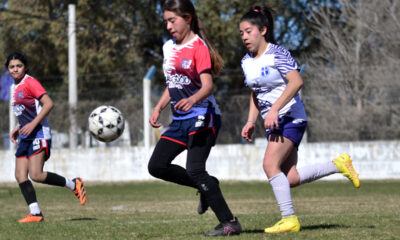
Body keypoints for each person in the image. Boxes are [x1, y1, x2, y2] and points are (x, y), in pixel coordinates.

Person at [239, 6, 360, 233]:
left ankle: (289, 219)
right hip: (273, 121)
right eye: (241, 33)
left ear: (263, 30)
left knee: (269, 165)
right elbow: (255, 92)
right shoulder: (246, 61)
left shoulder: (277, 53)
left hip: (290, 117)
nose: (244, 37)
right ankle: (338, 164)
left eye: (248, 31)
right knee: (290, 178)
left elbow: (296, 82)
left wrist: (275, 109)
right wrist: (250, 121)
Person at [148, 0, 241, 236]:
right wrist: (159, 107)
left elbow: (208, 86)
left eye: (173, 20)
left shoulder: (198, 47)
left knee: (195, 169)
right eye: (166, 21)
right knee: (157, 166)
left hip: (204, 115)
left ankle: (230, 222)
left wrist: (192, 99)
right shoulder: (168, 47)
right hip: (180, 120)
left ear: (187, 18)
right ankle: (208, 187)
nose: (168, 26)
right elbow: (173, 83)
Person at [6, 51, 87, 223]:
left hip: (39, 133)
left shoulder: (30, 82)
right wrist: (18, 127)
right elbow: (27, 112)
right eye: (12, 67)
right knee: (20, 175)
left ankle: (74, 184)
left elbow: (49, 103)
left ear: (25, 67)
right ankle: (35, 213)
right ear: (8, 69)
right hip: (26, 135)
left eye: (19, 66)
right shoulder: (13, 88)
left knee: (36, 175)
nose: (15, 69)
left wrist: (32, 124)